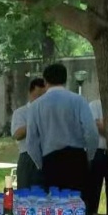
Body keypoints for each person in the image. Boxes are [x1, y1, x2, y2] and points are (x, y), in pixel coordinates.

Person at [26, 62, 98, 203]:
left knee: (54, 206)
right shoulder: (78, 100)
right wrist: (89, 156)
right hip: (76, 159)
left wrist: (41, 164)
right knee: (78, 205)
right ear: (66, 79)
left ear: (45, 81)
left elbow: (31, 142)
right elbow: (91, 132)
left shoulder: (36, 106)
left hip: (50, 160)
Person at [11, 76, 45, 189]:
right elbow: (17, 134)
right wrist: (34, 122)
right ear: (30, 94)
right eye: (37, 96)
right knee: (26, 193)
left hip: (47, 157)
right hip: (28, 158)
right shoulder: (21, 113)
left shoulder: (51, 113)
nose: (40, 100)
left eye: (44, 97)